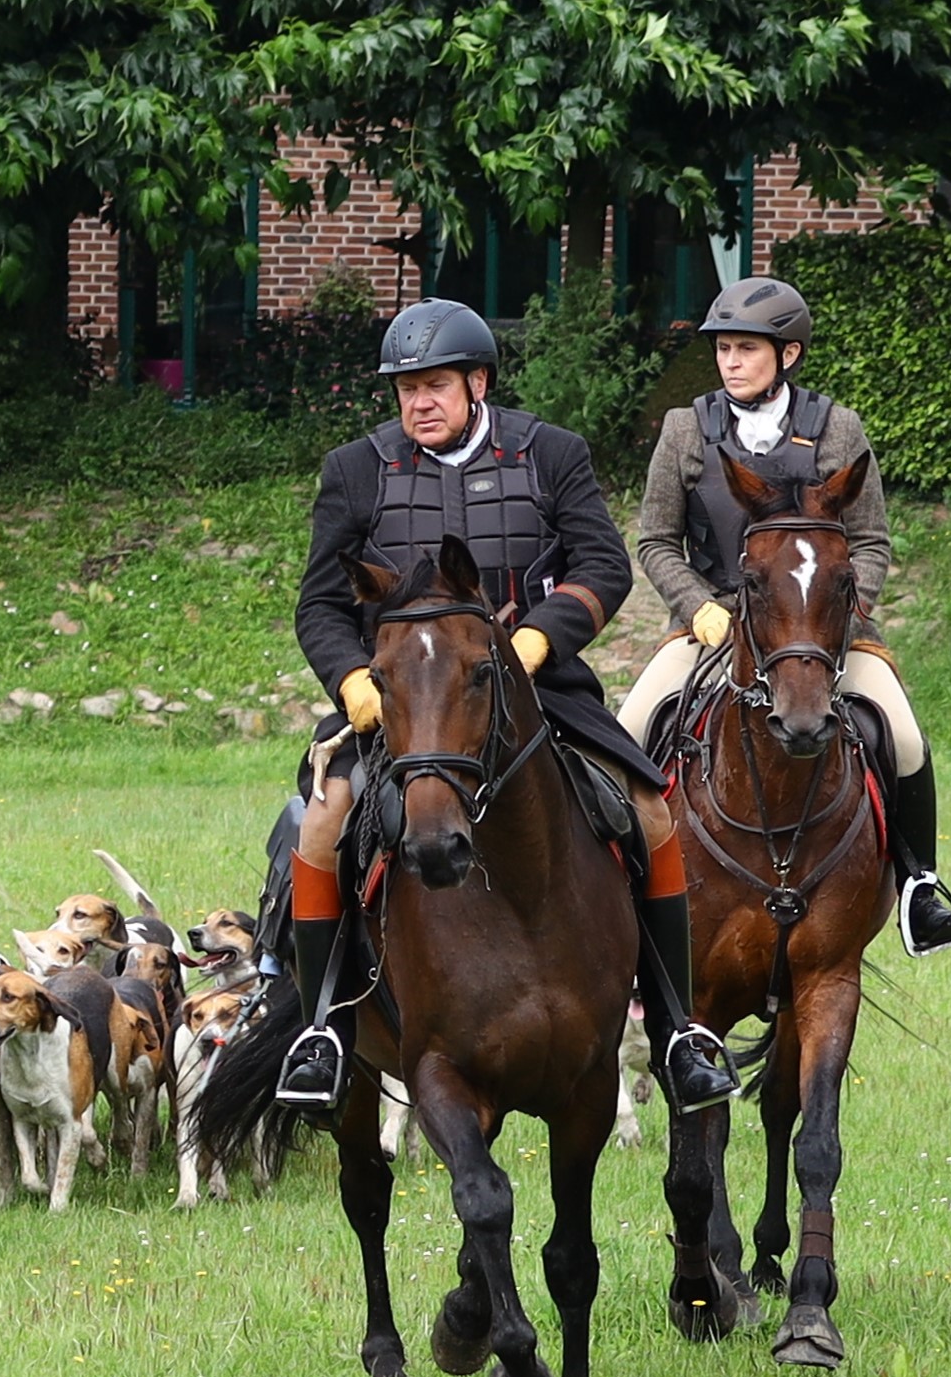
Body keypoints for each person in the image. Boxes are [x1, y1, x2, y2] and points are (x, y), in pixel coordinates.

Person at [274, 297, 736, 1115]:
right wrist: (351, 678)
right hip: (404, 704)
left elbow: (603, 565)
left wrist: (536, 643)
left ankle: (675, 1030)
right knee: (322, 821)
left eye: (435, 386)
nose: (419, 402)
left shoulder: (550, 453)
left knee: (650, 811)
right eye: (406, 389)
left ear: (478, 383)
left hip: (537, 692)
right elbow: (319, 604)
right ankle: (321, 1032)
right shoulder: (355, 469)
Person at [613, 277, 951, 960]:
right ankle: (623, 892)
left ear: (789, 354)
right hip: (716, 627)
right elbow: (656, 540)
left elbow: (870, 541)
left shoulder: (837, 428)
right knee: (628, 735)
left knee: (903, 737)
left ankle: (919, 887)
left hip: (822, 633)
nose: (731, 362)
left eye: (746, 349)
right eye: (723, 349)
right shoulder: (686, 429)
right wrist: (698, 607)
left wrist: (841, 615)